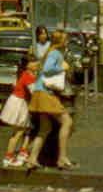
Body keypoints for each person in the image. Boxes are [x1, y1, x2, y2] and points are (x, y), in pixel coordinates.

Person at [26, 30, 74, 170]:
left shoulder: (49, 51)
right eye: (65, 39)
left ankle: (32, 158)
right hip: (46, 93)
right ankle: (62, 157)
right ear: (60, 41)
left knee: (45, 128)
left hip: (40, 91)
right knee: (67, 122)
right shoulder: (55, 53)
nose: (67, 42)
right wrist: (62, 67)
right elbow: (47, 69)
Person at [0, 54, 38, 167]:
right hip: (20, 104)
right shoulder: (28, 76)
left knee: (26, 129)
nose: (37, 64)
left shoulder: (26, 74)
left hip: (19, 102)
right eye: (34, 62)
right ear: (27, 65)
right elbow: (34, 91)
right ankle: (9, 156)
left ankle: (22, 152)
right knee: (19, 131)